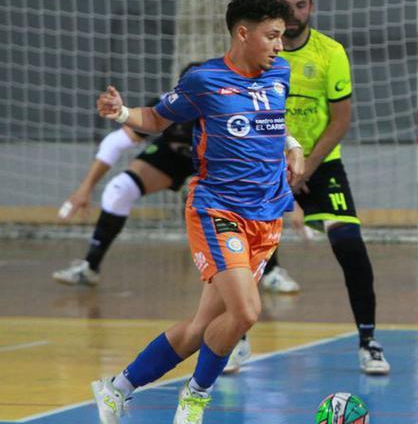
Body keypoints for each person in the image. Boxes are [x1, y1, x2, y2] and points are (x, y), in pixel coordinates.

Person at [90, 0, 303, 424]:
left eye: (282, 37)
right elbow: (155, 118)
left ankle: (116, 389)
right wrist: (123, 112)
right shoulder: (205, 81)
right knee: (246, 312)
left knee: (200, 327)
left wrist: (293, 145)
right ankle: (195, 397)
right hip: (218, 210)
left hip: (267, 216)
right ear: (243, 33)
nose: (280, 46)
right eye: (272, 36)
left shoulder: (279, 72)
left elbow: (275, 122)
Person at [52, 67, 302, 295]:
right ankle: (89, 266)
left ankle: (271, 271)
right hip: (175, 156)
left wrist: (293, 191)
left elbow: (267, 149)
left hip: (219, 163)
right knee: (119, 190)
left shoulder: (233, 107)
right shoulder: (169, 106)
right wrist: (84, 189)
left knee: (247, 201)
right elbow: (116, 142)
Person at [271, 0, 390, 375]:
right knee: (244, 254)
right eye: (284, 4)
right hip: (268, 161)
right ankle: (235, 340)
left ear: (311, 7)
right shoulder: (259, 51)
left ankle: (368, 341)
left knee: (350, 243)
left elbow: (340, 121)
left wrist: (306, 167)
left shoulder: (329, 53)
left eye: (300, 5)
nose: (292, 13)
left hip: (320, 163)